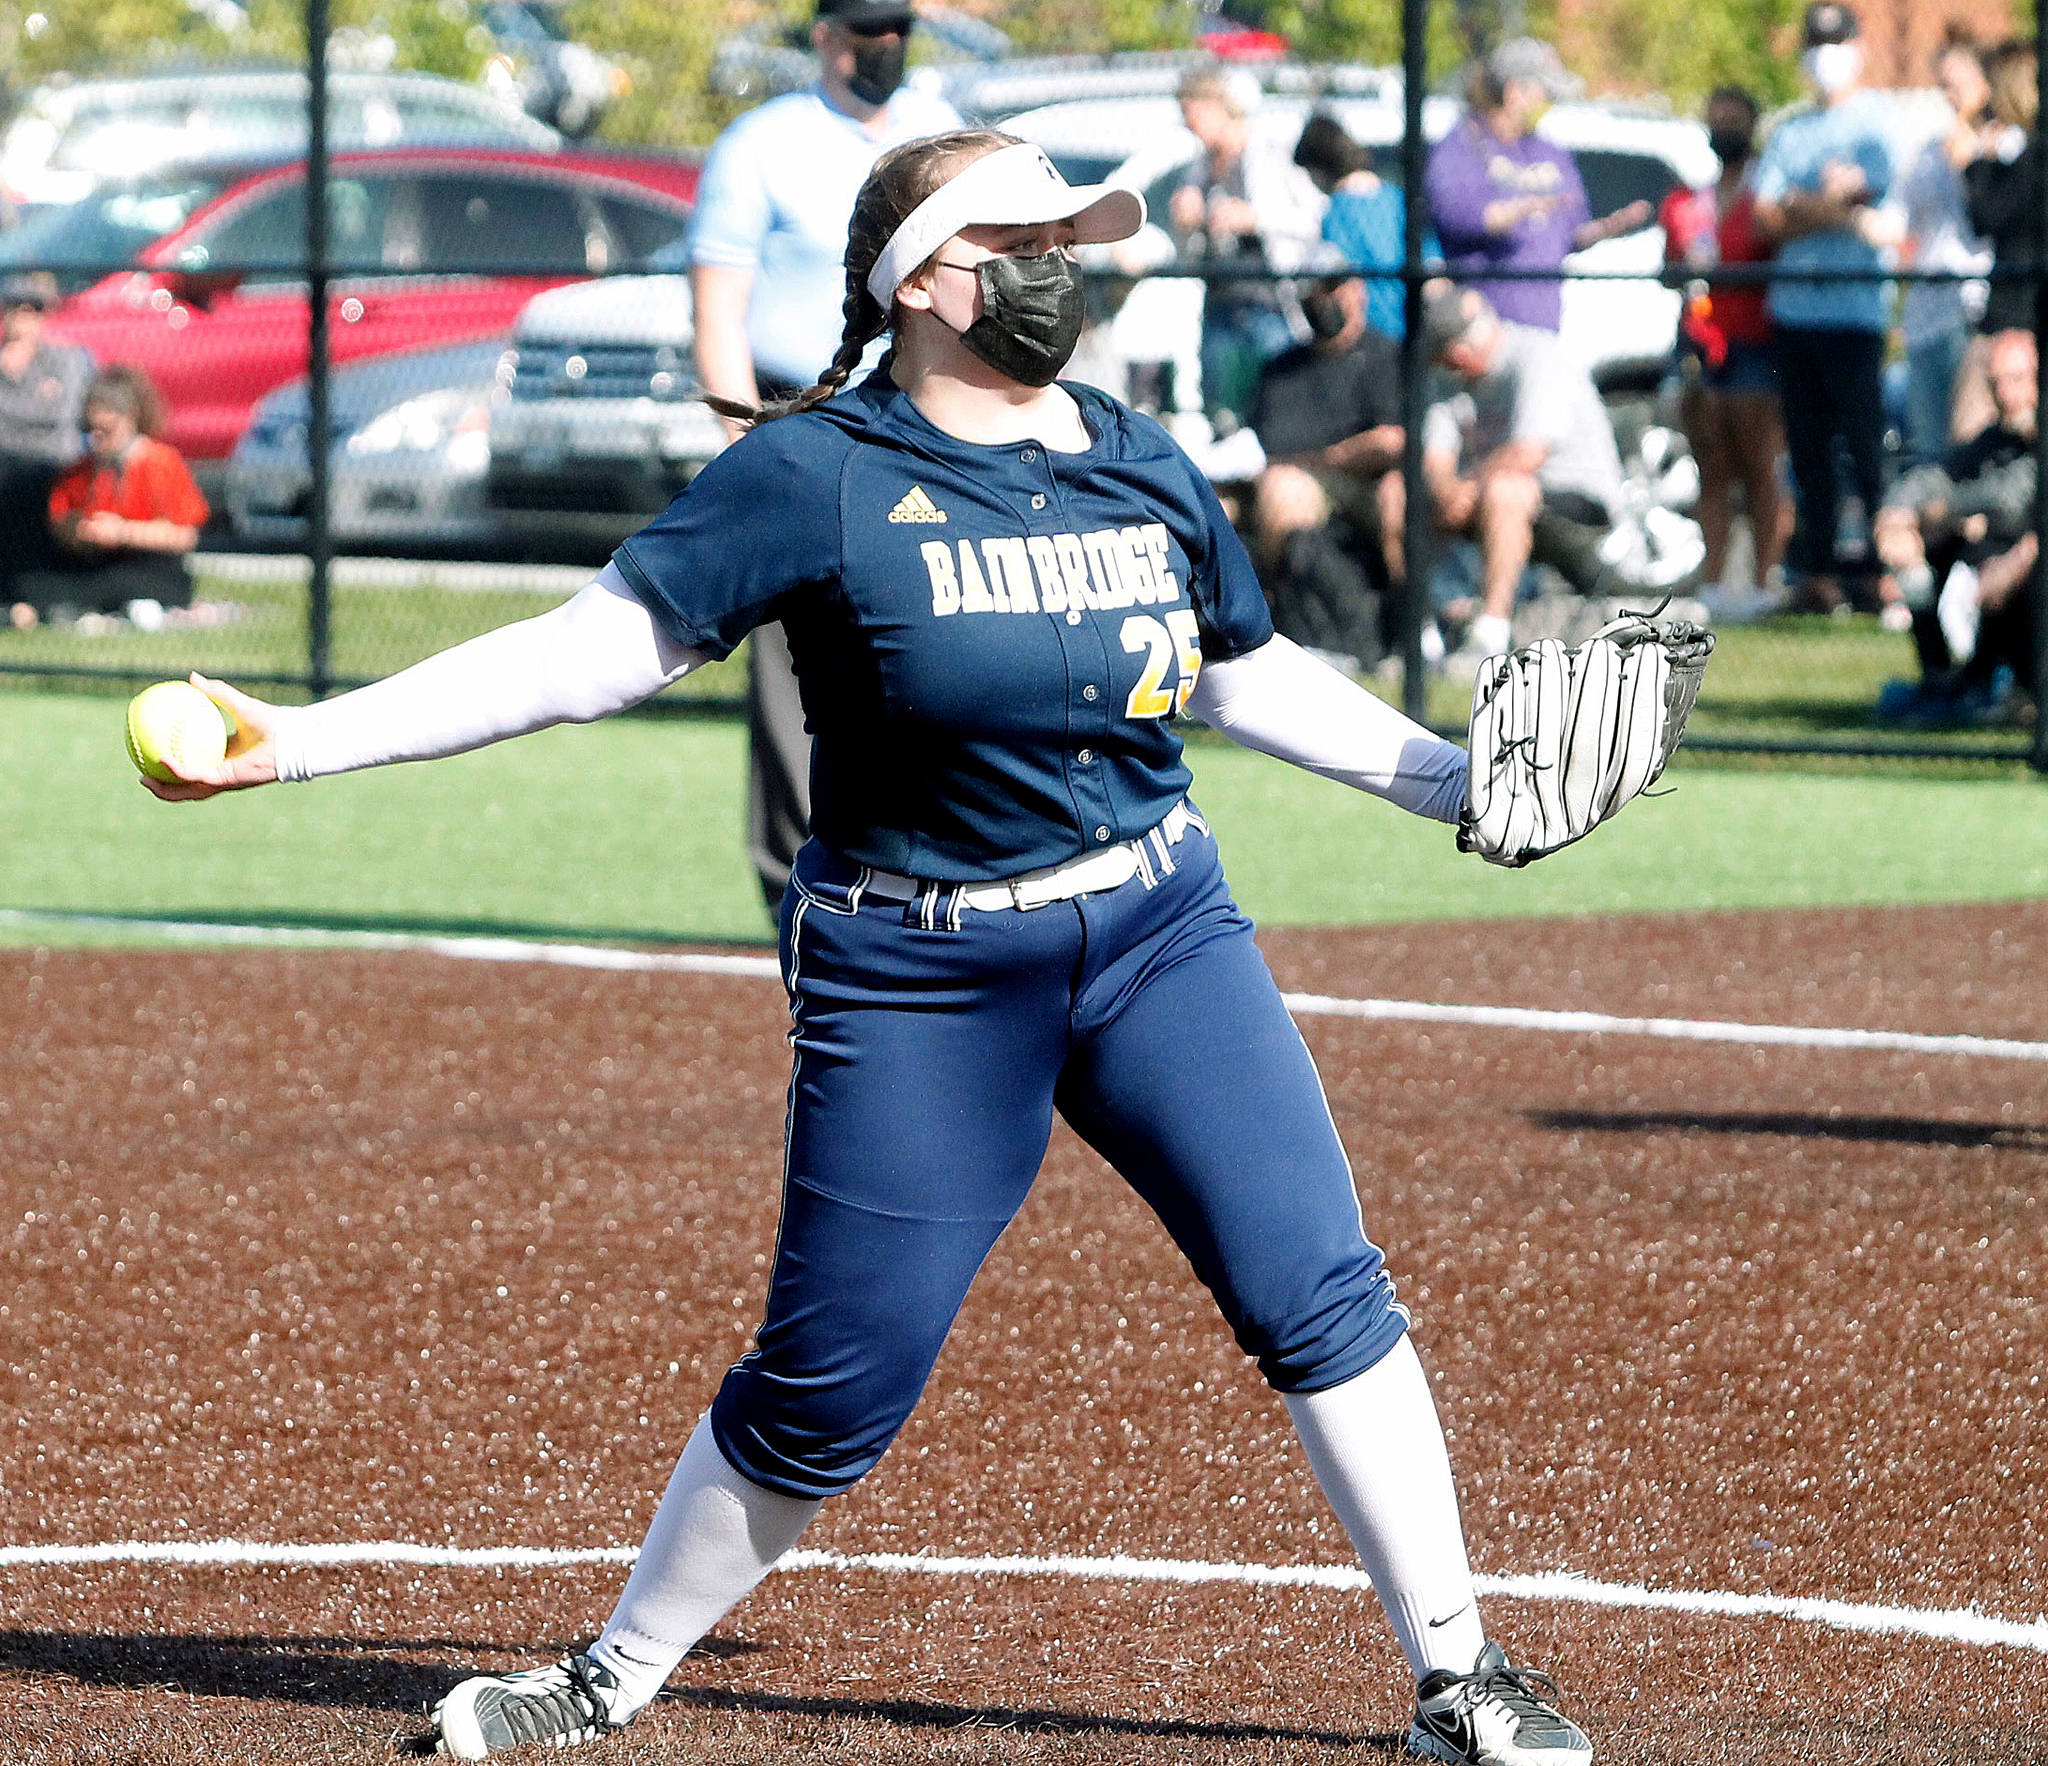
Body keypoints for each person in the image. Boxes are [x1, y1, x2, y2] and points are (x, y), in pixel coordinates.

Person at [144, 131, 1596, 1766]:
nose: (1057, 261)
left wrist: (1453, 788)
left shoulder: (1137, 455)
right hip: (917, 976)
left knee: (1319, 1290)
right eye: (1017, 238)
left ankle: (1456, 1674)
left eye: (1068, 233)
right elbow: (579, 659)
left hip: (1156, 932)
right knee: (834, 1380)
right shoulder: (817, 471)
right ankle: (608, 1677)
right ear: (917, 280)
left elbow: (1235, 673)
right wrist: (296, 741)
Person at [686, 0, 961, 911]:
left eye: (896, 32)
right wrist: (745, 444)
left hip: (923, 419)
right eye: (865, 32)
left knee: (938, 637)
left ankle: (938, 859)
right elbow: (719, 310)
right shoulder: (762, 144)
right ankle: (796, 889)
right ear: (825, 35)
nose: (882, 49)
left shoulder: (941, 132)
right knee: (790, 670)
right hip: (799, 418)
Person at [1750, 0, 1901, 614]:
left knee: (1866, 450)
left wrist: (1800, 206)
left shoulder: (1875, 123)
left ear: (1858, 47)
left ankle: (1884, 573)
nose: (1825, 55)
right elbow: (1765, 219)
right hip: (1795, 317)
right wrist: (1830, 208)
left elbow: (1871, 194)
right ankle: (1819, 578)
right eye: (1816, 42)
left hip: (1856, 316)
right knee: (1807, 453)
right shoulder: (1789, 130)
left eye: (1836, 42)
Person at [1421, 283, 1627, 665]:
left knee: (1505, 490)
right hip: (1485, 494)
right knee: (1409, 493)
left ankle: (1490, 632)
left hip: (1576, 501)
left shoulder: (1537, 356)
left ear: (1460, 352)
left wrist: (1464, 487)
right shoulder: (1447, 380)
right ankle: (1427, 626)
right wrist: (1447, 490)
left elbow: (1529, 453)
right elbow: (1436, 456)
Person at [1659, 86, 1792, 621]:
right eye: (1715, 121)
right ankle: (1714, 584)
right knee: (1712, 466)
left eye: (1733, 120)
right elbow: (1670, 271)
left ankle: (1763, 583)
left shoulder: (1766, 193)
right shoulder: (1697, 199)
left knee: (1761, 465)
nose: (1723, 131)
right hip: (1704, 345)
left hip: (1758, 342)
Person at [1424, 38, 1653, 338]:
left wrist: (1612, 226)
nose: (1549, 101)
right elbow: (1457, 215)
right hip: (1481, 332)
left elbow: (1572, 232)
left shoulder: (1548, 151)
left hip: (1544, 330)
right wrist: (1522, 208)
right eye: (1545, 91)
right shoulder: (1463, 146)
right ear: (1514, 91)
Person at [1873, 325, 2039, 724]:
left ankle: (2021, 690)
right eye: (1996, 383)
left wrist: (1949, 510)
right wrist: (1897, 515)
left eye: (2017, 380)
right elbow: (1936, 476)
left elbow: (2010, 498)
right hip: (1996, 580)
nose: (2005, 395)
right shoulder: (1996, 440)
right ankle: (1944, 679)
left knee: (2016, 564)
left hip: (2030, 586)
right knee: (1923, 546)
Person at [1243, 271, 1407, 669]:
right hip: (1302, 486)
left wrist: (1327, 458)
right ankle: (1276, 631)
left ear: (1359, 294)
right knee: (1268, 493)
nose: (1325, 299)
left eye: (1335, 288)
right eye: (1316, 289)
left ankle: (1413, 627)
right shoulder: (1283, 368)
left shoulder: (1386, 357)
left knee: (1395, 493)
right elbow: (1265, 446)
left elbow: (1391, 443)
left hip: (1369, 486)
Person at [1167, 66, 1325, 426]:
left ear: (1215, 107)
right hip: (1221, 303)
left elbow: (1315, 219)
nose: (1190, 127)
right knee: (1218, 414)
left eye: (1192, 116)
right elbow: (1192, 235)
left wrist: (1254, 217)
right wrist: (1186, 216)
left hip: (1269, 305)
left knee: (1279, 404)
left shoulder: (1271, 152)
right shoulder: (1202, 167)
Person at [9, 364, 206, 631]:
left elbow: (184, 536)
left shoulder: (160, 461)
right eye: (91, 429)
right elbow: (60, 522)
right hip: (96, 563)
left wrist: (123, 532)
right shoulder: (83, 470)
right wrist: (81, 531)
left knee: (123, 583)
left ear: (130, 418)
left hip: (149, 566)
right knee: (33, 582)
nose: (97, 438)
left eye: (106, 429)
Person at [1897, 36, 1992, 463]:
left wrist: (1970, 161)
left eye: (1959, 84)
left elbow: (1990, 218)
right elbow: (1900, 221)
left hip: (1973, 306)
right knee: (1929, 444)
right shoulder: (1930, 151)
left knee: (1969, 439)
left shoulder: (2003, 146)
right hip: (1927, 313)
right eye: (1944, 86)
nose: (1951, 97)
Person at [1958, 39, 2041, 441]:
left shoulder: (2032, 161)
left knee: (1974, 432)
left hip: (2017, 320)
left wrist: (1977, 163)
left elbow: (1987, 215)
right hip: (2013, 313)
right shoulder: (2025, 156)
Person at [1291, 111, 1435, 342]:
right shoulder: (1397, 198)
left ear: (1318, 168)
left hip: (1373, 335)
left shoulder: (1336, 214)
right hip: (1414, 329)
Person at [0, 272, 91, 617]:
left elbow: (62, 414)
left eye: (33, 310)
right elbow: (43, 414)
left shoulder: (65, 360)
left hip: (51, 467)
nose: (23, 318)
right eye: (15, 308)